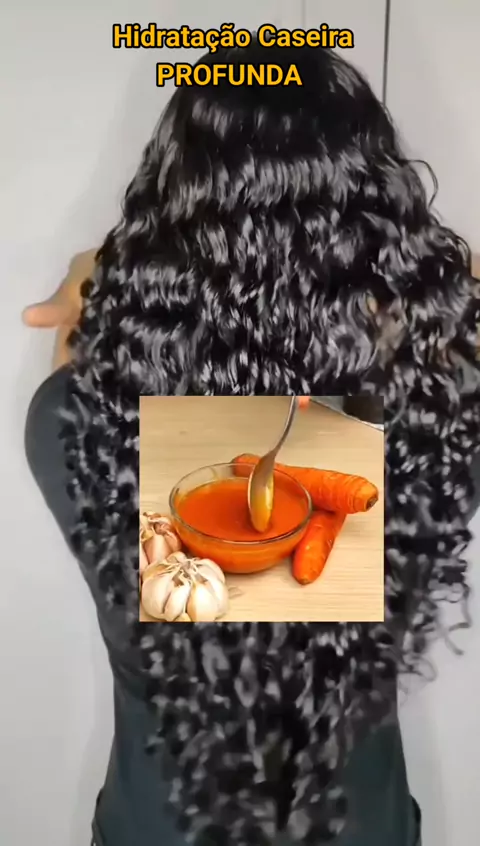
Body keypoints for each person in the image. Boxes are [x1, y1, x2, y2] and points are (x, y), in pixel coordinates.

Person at [23, 38, 480, 846]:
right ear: (380, 208)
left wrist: (100, 268)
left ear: (170, 201)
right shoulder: (434, 417)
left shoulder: (80, 419)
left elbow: (99, 331)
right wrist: (426, 274)